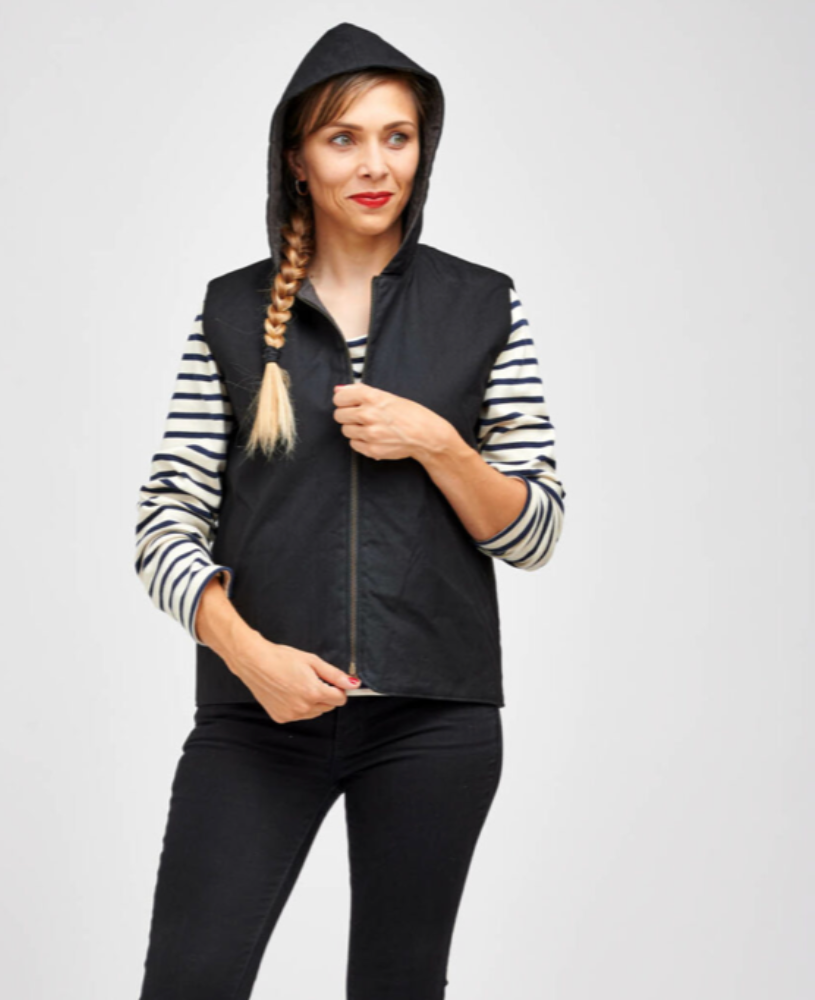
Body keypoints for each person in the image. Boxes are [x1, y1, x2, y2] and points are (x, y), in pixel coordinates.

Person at [133, 21, 566, 999]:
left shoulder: (483, 307)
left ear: (422, 147)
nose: (375, 165)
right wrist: (251, 658)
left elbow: (535, 530)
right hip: (257, 713)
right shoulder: (231, 315)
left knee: (397, 986)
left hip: (433, 717)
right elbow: (164, 522)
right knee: (190, 981)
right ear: (297, 157)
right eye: (344, 138)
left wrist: (439, 443)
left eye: (396, 136)